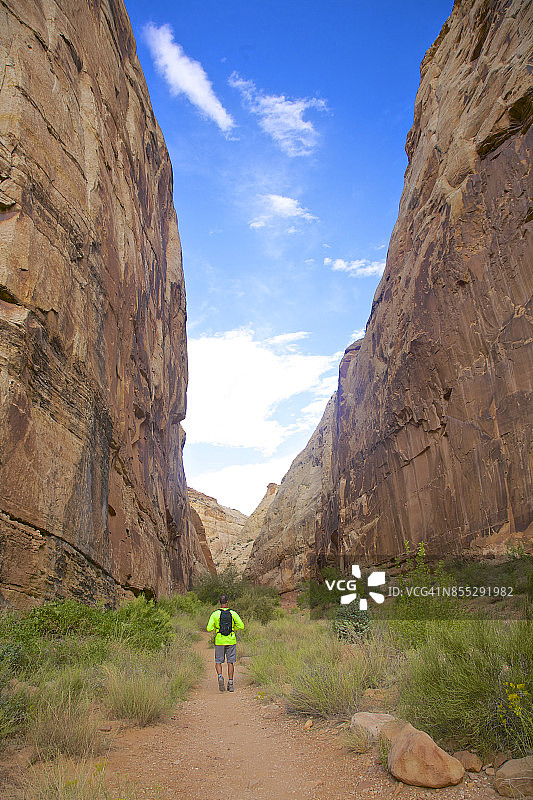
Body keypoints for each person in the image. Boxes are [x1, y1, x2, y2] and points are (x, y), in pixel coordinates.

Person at [206, 594, 244, 692]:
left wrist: (217, 629)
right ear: (227, 602)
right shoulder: (233, 613)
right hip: (231, 640)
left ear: (219, 602)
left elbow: (209, 628)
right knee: (230, 662)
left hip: (219, 640)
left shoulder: (215, 614)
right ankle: (230, 683)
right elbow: (241, 626)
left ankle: (220, 677)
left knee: (218, 661)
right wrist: (232, 629)